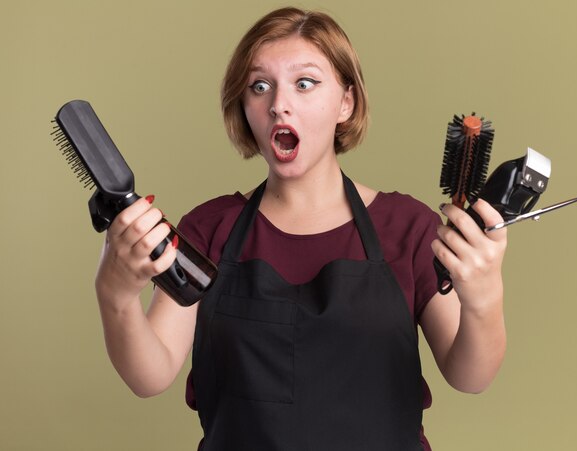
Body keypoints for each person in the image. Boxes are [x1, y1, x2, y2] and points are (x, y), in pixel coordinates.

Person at [94, 7, 507, 451]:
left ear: (345, 103)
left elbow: (470, 376)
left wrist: (484, 297)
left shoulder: (407, 228)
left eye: (304, 83)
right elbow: (150, 376)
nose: (278, 104)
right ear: (245, 106)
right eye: (259, 86)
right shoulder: (209, 230)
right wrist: (115, 294)